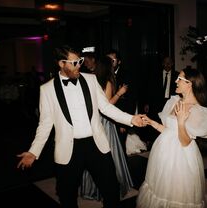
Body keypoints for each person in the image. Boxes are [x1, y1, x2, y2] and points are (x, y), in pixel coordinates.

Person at [16, 45, 145, 208]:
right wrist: (34, 151)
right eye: (74, 63)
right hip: (68, 148)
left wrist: (131, 119)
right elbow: (45, 124)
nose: (79, 65)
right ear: (61, 64)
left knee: (111, 189)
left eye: (80, 61)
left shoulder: (91, 80)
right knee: (66, 195)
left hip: (96, 144)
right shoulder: (47, 90)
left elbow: (106, 107)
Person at [137, 67, 207, 208]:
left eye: (179, 79)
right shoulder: (174, 101)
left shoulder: (196, 110)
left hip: (181, 156)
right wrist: (152, 122)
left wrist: (181, 122)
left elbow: (185, 142)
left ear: (189, 84)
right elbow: (168, 130)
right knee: (160, 185)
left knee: (178, 191)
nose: (175, 81)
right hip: (163, 150)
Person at [81, 56, 133, 200]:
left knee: (94, 154)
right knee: (110, 154)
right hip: (105, 121)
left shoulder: (92, 79)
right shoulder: (107, 81)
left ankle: (91, 188)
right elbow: (107, 105)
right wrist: (120, 93)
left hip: (93, 120)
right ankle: (111, 187)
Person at [141, 55, 179, 149]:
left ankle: (167, 142)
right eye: (165, 62)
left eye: (169, 63)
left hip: (170, 102)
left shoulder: (176, 75)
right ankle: (155, 142)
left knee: (167, 122)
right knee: (155, 121)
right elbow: (149, 89)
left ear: (172, 64)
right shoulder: (155, 74)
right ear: (162, 64)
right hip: (156, 102)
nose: (167, 65)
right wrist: (147, 103)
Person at [107, 49, 138, 158]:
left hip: (121, 117)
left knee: (120, 147)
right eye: (108, 59)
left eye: (113, 60)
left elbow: (130, 99)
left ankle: (122, 171)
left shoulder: (127, 75)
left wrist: (124, 122)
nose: (110, 62)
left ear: (119, 62)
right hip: (106, 117)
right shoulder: (104, 74)